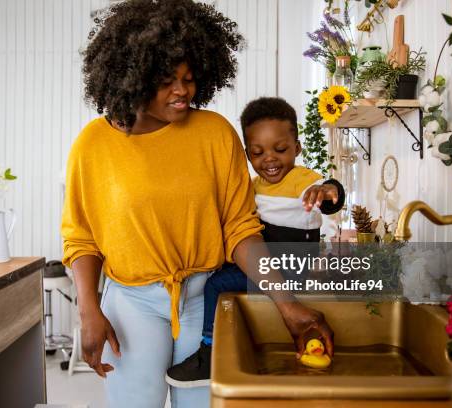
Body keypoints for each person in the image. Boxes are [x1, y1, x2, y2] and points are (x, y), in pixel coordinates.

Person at [61, 2, 334, 407]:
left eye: (189, 79)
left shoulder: (214, 134)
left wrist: (286, 304)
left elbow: (241, 229)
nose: (182, 91)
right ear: (132, 77)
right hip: (130, 304)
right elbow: (81, 238)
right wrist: (87, 308)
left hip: (204, 300)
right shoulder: (93, 144)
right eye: (167, 80)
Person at [166, 97, 345, 388]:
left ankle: (210, 351)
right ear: (248, 154)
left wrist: (325, 191)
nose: (270, 159)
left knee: (216, 284)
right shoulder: (252, 186)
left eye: (281, 149)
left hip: (289, 267)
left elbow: (331, 193)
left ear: (297, 148)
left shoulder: (303, 180)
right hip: (272, 265)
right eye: (257, 153)